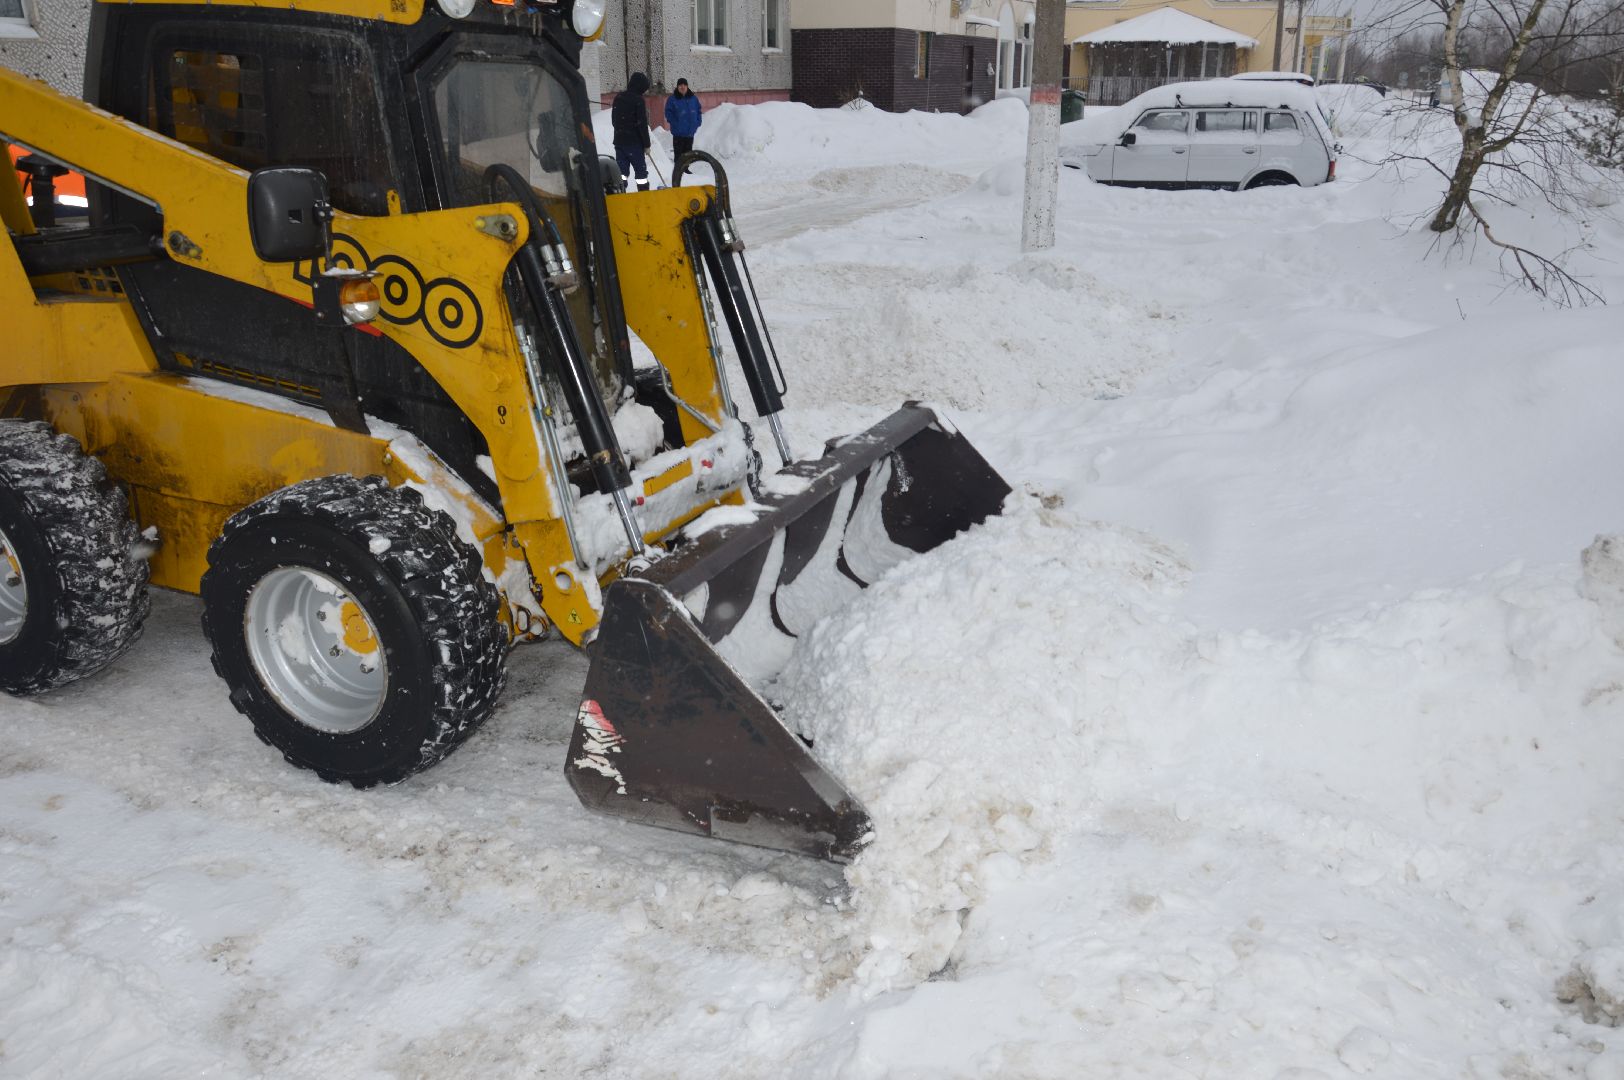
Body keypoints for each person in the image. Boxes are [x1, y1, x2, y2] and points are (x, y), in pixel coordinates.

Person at [612, 71, 653, 191]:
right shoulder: (638, 100)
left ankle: (619, 196)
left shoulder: (618, 97)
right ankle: (644, 195)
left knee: (621, 173)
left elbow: (614, 121)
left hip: (619, 142)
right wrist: (646, 144)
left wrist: (621, 132)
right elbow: (642, 124)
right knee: (641, 174)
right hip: (634, 144)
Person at [664, 78, 703, 161]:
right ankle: (678, 172)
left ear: (687, 86)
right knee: (679, 157)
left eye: (684, 85)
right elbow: (668, 113)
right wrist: (675, 123)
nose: (682, 87)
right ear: (677, 87)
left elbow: (698, 110)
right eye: (680, 85)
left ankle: (686, 170)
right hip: (678, 133)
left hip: (690, 132)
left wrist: (698, 122)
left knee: (688, 155)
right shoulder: (672, 99)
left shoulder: (693, 98)